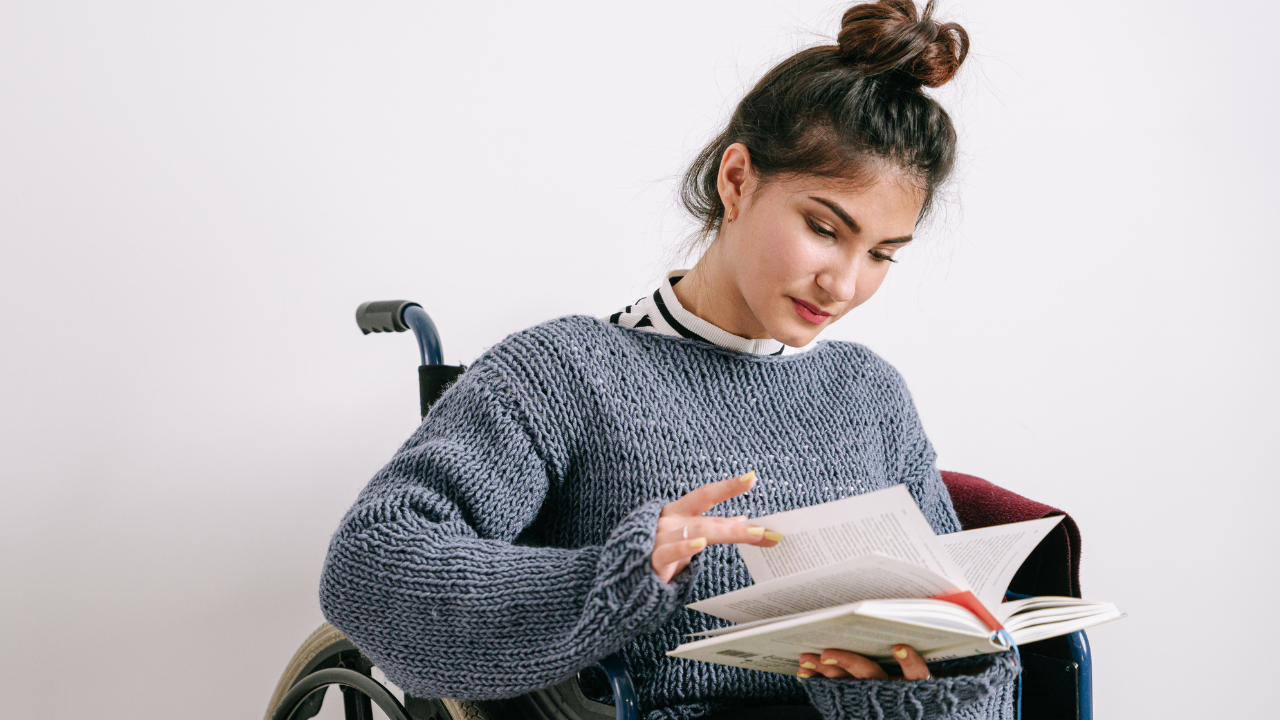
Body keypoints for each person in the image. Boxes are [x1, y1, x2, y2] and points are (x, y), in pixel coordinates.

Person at [319, 1, 1018, 718]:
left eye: (879, 255)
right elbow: (369, 565)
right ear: (738, 179)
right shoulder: (568, 372)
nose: (844, 284)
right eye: (822, 228)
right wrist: (620, 574)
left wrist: (913, 691)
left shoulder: (868, 392)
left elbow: (963, 631)